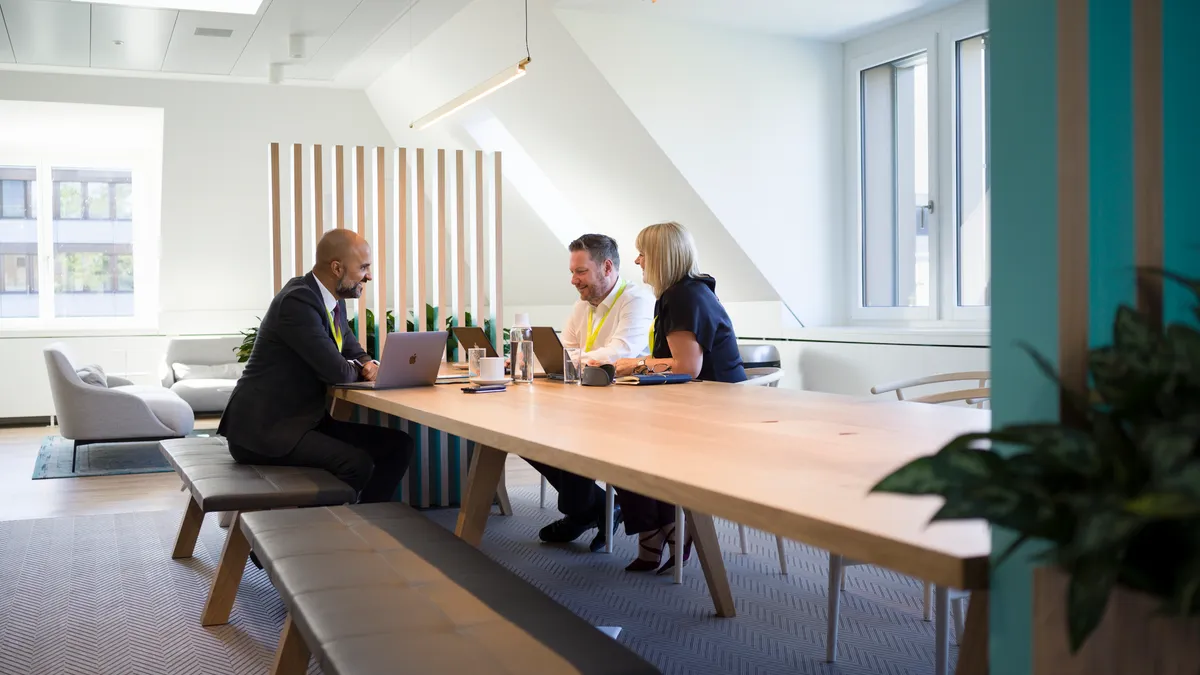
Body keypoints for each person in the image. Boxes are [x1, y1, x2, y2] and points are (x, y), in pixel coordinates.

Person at [219, 228, 414, 507]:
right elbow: (336, 371)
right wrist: (361, 368)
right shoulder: (297, 301)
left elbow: (351, 348)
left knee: (398, 445)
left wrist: (367, 361)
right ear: (337, 268)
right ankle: (307, 537)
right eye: (363, 268)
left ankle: (367, 526)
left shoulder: (332, 301)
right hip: (265, 430)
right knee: (356, 464)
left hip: (301, 422)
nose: (369, 276)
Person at [611, 221, 746, 574]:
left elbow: (688, 366)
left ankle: (659, 529)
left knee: (617, 443)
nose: (637, 260)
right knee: (618, 439)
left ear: (659, 256)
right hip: (700, 405)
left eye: (643, 253)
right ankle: (660, 528)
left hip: (714, 414)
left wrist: (636, 364)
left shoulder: (682, 296)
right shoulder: (686, 291)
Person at [530, 233, 654, 552]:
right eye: (572, 272)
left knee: (566, 434)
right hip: (585, 399)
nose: (574, 280)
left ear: (607, 267)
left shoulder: (636, 300)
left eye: (581, 272)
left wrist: (567, 360)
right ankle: (593, 508)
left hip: (631, 407)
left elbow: (617, 352)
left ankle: (583, 510)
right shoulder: (581, 306)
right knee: (525, 434)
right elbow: (566, 351)